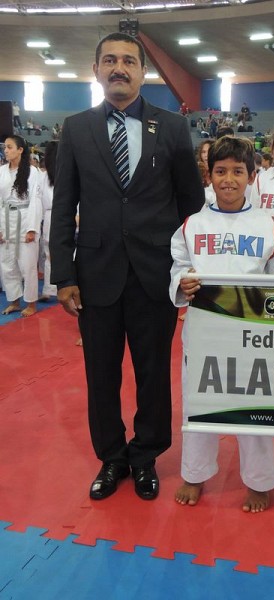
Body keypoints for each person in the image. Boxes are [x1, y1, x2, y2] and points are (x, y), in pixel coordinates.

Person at [49, 32, 204, 502]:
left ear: (142, 71)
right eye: (110, 60)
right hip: (95, 273)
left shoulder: (171, 127)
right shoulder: (76, 128)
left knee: (153, 371)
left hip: (155, 272)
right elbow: (64, 205)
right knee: (101, 374)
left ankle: (146, 457)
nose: (119, 68)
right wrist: (63, 274)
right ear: (96, 69)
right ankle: (112, 457)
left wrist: (189, 269)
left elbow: (191, 205)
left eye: (129, 61)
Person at [169, 136, 274, 512]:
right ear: (209, 174)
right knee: (199, 403)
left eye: (237, 171)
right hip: (205, 332)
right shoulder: (193, 225)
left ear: (252, 176)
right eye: (221, 171)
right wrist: (182, 282)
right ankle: (195, 473)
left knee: (255, 406)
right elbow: (178, 266)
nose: (229, 179)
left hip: (253, 333)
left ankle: (259, 480)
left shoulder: (268, 225)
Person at [0, 135, 42, 317]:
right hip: (5, 220)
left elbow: (36, 201)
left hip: (25, 219)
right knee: (8, 265)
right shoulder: (1, 171)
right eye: (5, 147)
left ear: (20, 150)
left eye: (9, 147)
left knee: (27, 265)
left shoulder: (32, 172)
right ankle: (14, 302)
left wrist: (32, 228)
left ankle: (31, 303)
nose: (6, 150)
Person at [39, 141, 58, 300]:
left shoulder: (43, 177)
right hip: (54, 216)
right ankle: (50, 288)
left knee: (50, 255)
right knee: (52, 254)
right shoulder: (43, 177)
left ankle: (49, 289)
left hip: (51, 217)